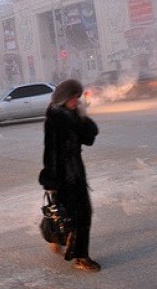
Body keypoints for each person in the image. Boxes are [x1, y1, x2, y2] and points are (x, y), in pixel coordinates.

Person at [39, 79, 101, 272]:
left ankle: (57, 239)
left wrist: (83, 116)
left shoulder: (72, 115)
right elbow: (51, 152)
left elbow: (89, 139)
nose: (77, 100)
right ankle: (81, 258)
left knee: (66, 214)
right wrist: (51, 180)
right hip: (64, 176)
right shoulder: (56, 119)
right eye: (74, 97)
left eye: (78, 97)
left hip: (75, 171)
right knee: (81, 215)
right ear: (64, 98)